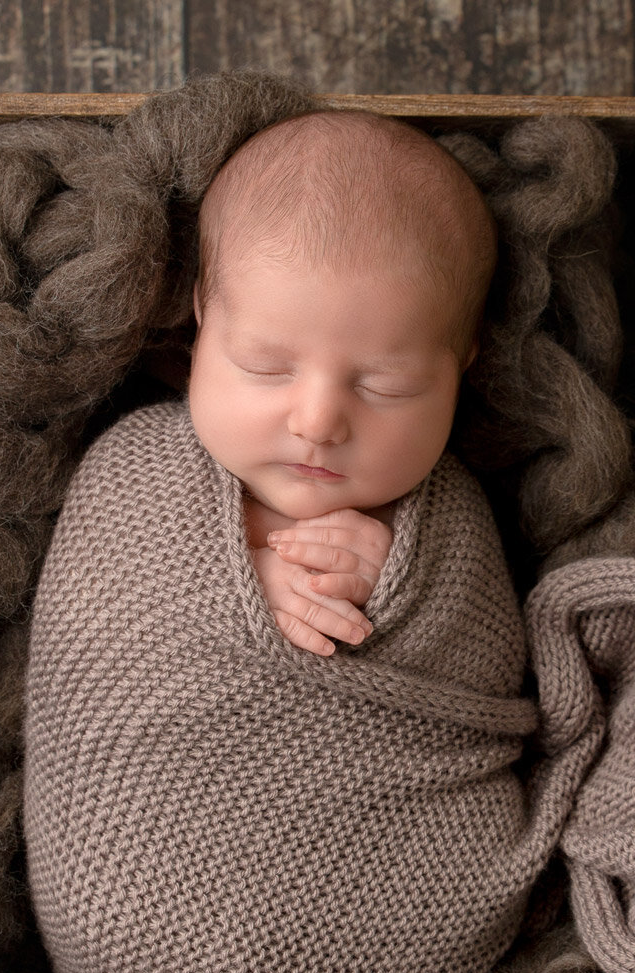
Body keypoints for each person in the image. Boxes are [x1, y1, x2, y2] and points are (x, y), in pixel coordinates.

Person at [184, 109, 499, 656]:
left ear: (461, 368)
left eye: (385, 386)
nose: (318, 422)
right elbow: (95, 605)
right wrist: (228, 589)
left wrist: (401, 590)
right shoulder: (135, 471)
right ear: (200, 322)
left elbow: (492, 651)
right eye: (265, 367)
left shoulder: (450, 530)